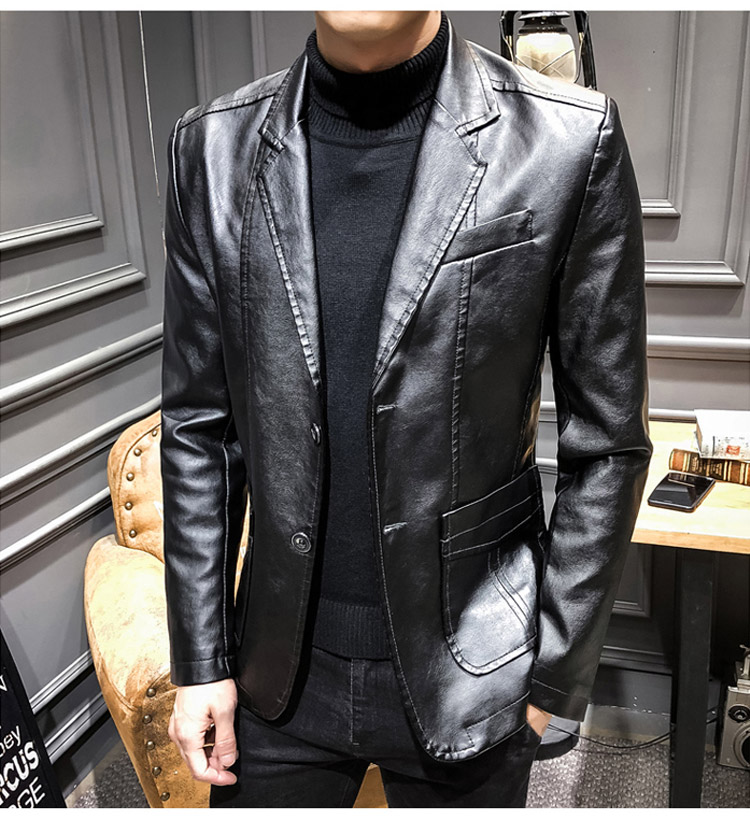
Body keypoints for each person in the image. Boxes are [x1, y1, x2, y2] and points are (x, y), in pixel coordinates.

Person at [160, 9, 652, 808]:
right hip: (272, 675)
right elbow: (196, 428)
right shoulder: (211, 150)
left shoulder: (567, 139)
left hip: (474, 667)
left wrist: (557, 674)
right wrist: (201, 659)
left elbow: (608, 443)